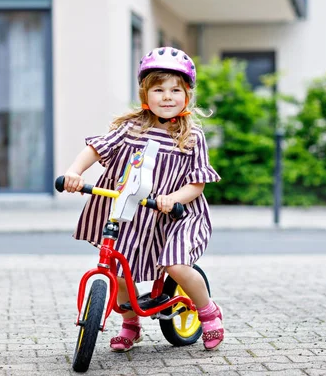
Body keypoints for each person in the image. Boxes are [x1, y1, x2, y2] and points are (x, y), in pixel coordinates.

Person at [63, 47, 223, 351]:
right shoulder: (132, 128)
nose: (167, 96)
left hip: (178, 213)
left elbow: (197, 183)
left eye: (175, 90)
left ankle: (209, 313)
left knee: (176, 265)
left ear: (187, 95)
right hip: (134, 210)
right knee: (119, 270)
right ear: (144, 95)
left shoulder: (191, 137)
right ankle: (130, 325)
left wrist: (172, 198)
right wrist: (74, 171)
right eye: (159, 89)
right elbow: (97, 149)